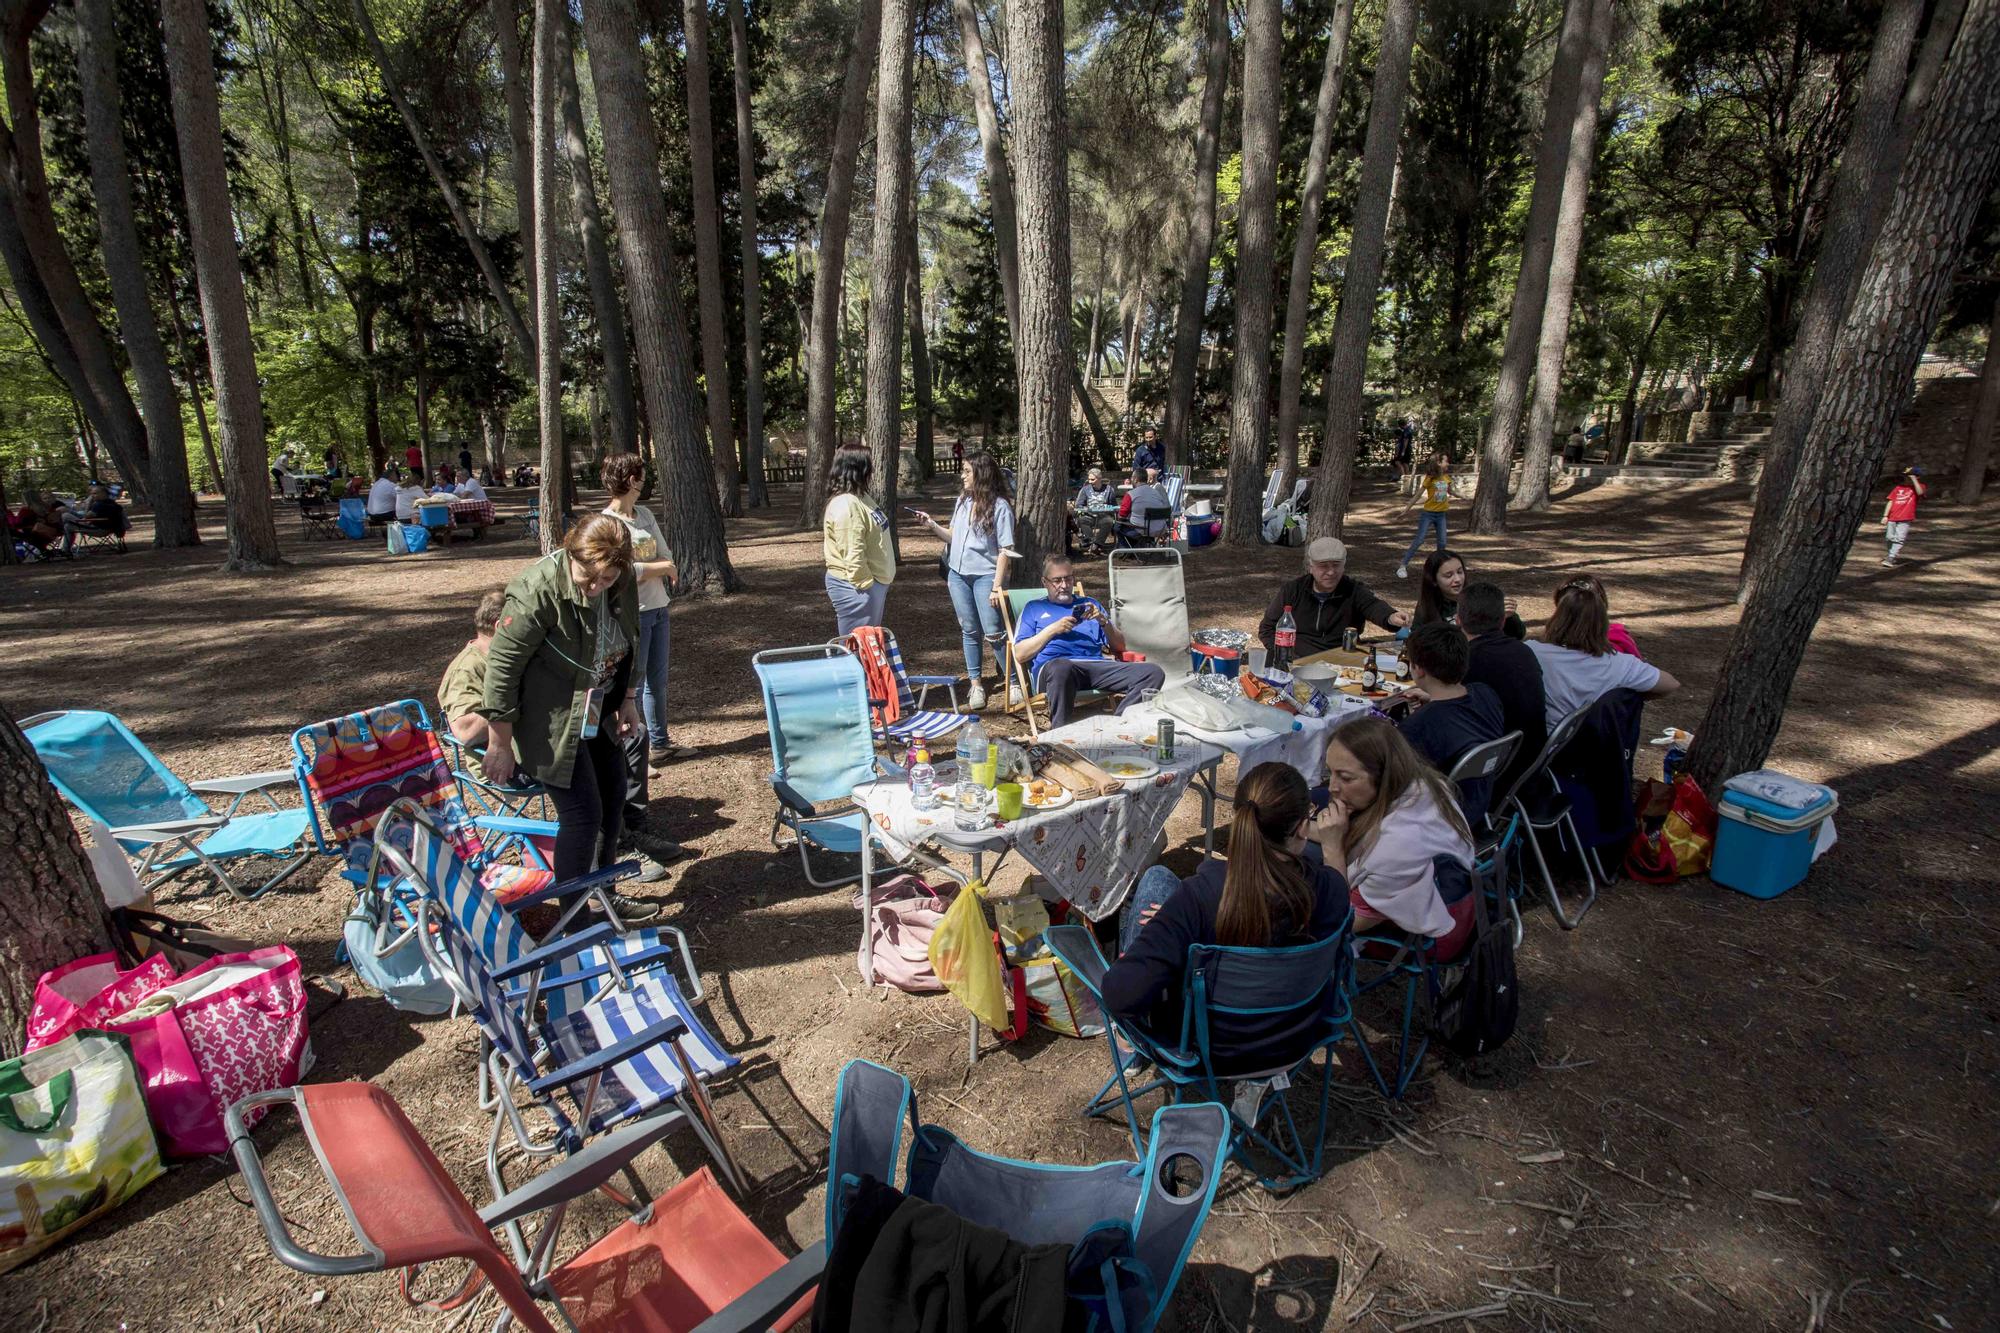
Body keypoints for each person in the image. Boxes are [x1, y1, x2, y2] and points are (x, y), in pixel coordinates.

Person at [1102, 762, 1349, 1073]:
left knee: (1156, 880)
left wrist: (1173, 929)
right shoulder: (1329, 891)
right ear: (1302, 827)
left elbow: (1121, 996)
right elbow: (1341, 908)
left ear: (1240, 818)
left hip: (1204, 1049)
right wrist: (1333, 846)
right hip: (1293, 1042)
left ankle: (1128, 1047)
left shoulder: (1200, 897)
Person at [479, 515, 668, 904]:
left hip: (596, 705)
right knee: (582, 814)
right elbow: (502, 668)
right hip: (548, 717)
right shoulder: (536, 591)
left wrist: (629, 698)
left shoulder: (624, 577)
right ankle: (576, 918)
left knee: (614, 794)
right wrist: (499, 742)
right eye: (588, 578)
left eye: (608, 580)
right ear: (570, 554)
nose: (597, 588)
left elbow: (632, 636)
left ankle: (603, 897)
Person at [1321, 717, 1476, 962]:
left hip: (1432, 940)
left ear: (1383, 776)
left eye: (1346, 778)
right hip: (1453, 895)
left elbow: (1339, 920)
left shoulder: (1394, 846)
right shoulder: (1424, 784)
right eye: (1330, 773)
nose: (1332, 787)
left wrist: (1332, 848)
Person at [602, 452, 695, 784]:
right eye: (641, 475)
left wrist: (660, 565)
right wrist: (660, 568)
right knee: (633, 685)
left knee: (658, 681)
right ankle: (634, 750)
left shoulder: (643, 514)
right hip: (633, 615)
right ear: (630, 479)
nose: (645, 480)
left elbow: (666, 553)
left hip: (658, 608)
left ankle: (660, 742)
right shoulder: (609, 523)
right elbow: (626, 570)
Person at [1010, 555, 1164, 727]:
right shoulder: (1033, 608)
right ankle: (1059, 736)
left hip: (1096, 666)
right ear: (1044, 582)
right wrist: (1053, 629)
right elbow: (1020, 653)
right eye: (1057, 580)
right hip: (1056, 670)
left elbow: (1120, 646)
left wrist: (1103, 622)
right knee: (1061, 666)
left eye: (1068, 579)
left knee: (1153, 672)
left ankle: (1115, 727)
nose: (1064, 585)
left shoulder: (1090, 604)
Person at [918, 451, 1014, 710]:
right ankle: (976, 685)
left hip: (986, 577)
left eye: (967, 471)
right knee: (969, 630)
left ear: (981, 474)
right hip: (957, 575)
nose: (962, 475)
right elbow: (953, 536)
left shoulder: (1000, 507)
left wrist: (996, 586)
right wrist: (932, 526)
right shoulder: (962, 501)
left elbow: (1006, 549)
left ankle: (1014, 681)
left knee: (994, 633)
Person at [1527, 575, 1680, 731]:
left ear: (1556, 618)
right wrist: (1627, 697)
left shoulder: (1532, 652)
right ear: (1603, 623)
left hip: (1544, 747)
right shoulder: (1620, 664)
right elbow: (1670, 684)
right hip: (1595, 746)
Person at [1394, 623, 1505, 826]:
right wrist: (1432, 701)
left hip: (1438, 818)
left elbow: (1392, 786)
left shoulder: (1417, 726)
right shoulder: (1486, 694)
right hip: (1479, 804)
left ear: (1417, 670)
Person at [1458, 581, 1546, 795]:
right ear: (1503, 620)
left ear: (1458, 620)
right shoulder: (1523, 651)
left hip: (1494, 773)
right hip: (1531, 762)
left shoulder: (1468, 662)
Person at [1257, 537, 1409, 658]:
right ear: (1311, 567)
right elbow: (1267, 629)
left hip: (1339, 659)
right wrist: (1285, 654)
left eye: (1336, 565)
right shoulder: (1293, 590)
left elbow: (1373, 606)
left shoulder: (1353, 590)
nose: (1331, 572)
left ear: (1344, 566)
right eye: (1324, 566)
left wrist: (1391, 617)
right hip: (1295, 659)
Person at [821, 448, 896, 635]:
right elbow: (852, 552)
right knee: (857, 649)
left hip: (869, 588)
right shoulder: (846, 504)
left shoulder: (860, 497)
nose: (872, 469)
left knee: (868, 648)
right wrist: (866, 586)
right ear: (858, 468)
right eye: (869, 464)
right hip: (856, 588)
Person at [438, 590, 510, 784]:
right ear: (501, 626)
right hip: (499, 762)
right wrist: (511, 697)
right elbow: (466, 732)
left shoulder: (510, 656)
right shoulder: (466, 669)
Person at [1412, 549, 1523, 638]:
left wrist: (1508, 617)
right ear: (1434, 580)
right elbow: (1415, 641)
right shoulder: (1427, 606)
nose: (1457, 579)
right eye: (1448, 575)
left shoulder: (1480, 596)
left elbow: (1518, 634)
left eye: (1460, 572)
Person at [1396, 453, 1453, 578]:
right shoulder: (1430, 478)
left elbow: (1451, 492)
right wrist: (1406, 510)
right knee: (1419, 540)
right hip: (1428, 514)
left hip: (1441, 515)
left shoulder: (1447, 478)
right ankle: (1403, 566)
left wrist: (1465, 496)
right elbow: (1417, 495)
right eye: (1446, 461)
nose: (1448, 464)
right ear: (1438, 463)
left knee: (1442, 543)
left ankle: (1439, 569)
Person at [59, 484, 128, 554]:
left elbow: (86, 516)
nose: (92, 496)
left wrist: (88, 503)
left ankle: (64, 548)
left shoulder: (99, 505)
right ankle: (65, 549)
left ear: (103, 493)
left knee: (65, 516)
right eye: (92, 494)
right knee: (67, 523)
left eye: (95, 493)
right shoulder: (113, 503)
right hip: (110, 529)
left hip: (99, 529)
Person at [1881, 465, 1926, 567]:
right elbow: (1890, 501)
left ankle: (1891, 557)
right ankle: (1890, 554)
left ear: (1917, 477)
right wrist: (1885, 515)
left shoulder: (1920, 487)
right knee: (1889, 538)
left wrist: (1914, 480)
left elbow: (1920, 493)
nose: (1906, 479)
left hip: (1905, 517)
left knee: (1899, 538)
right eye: (1905, 476)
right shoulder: (1898, 488)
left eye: (1908, 476)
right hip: (1892, 517)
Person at [1115, 466, 1171, 544]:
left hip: (1142, 530)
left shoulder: (1130, 494)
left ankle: (1128, 551)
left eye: (1132, 478)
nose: (1131, 480)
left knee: (1117, 525)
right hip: (1160, 529)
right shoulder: (1157, 493)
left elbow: (1121, 515)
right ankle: (1142, 547)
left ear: (1136, 479)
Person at [10, 490, 62, 554]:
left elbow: (18, 523)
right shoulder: (47, 507)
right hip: (49, 535)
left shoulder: (26, 510)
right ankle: (43, 551)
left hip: (34, 535)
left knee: (11, 531)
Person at [1393, 419, 1415, 495]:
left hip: (1405, 450)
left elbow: (1405, 441)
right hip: (1407, 450)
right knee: (1405, 464)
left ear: (1401, 425)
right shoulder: (1409, 429)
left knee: (1400, 463)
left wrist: (1402, 451)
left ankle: (1404, 480)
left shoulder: (1406, 431)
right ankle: (1407, 483)